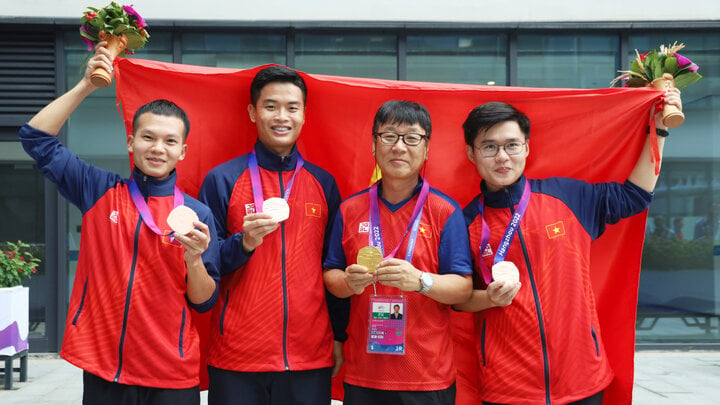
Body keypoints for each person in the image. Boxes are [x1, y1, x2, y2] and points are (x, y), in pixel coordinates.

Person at [19, 42, 221, 405]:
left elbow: (204, 302)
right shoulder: (98, 190)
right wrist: (86, 85)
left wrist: (194, 260)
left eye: (170, 141)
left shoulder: (198, 215)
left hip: (172, 371)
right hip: (105, 367)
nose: (158, 148)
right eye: (148, 137)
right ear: (131, 142)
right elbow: (36, 139)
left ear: (183, 151)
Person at [454, 90, 682, 404]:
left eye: (511, 145)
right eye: (489, 147)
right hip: (507, 385)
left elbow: (635, 196)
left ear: (527, 147)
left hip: (583, 377)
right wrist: (488, 299)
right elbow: (459, 300)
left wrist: (659, 129)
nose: (502, 157)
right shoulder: (464, 223)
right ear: (471, 153)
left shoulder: (566, 197)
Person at [198, 65, 345, 404]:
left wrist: (338, 334)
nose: (282, 116)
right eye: (270, 106)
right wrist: (244, 243)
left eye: (292, 107)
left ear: (304, 114)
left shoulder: (323, 183)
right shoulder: (221, 179)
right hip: (237, 356)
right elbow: (207, 267)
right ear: (252, 112)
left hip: (308, 354)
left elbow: (333, 266)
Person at [323, 100, 473, 404]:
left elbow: (463, 289)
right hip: (365, 375)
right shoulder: (350, 209)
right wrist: (349, 283)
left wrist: (421, 281)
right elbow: (330, 275)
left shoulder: (445, 211)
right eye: (389, 136)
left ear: (427, 148)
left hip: (428, 378)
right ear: (374, 145)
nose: (399, 147)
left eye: (412, 138)